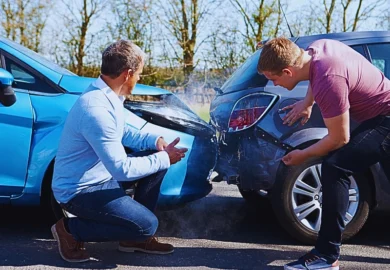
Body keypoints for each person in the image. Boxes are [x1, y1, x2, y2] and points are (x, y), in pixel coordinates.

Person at [258, 37, 390, 270]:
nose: (275, 84)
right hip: (380, 115)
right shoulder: (317, 49)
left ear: (288, 71)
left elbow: (340, 138)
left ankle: (326, 256)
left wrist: (304, 155)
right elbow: (315, 74)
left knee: (335, 166)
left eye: (274, 78)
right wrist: (308, 102)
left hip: (385, 118)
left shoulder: (328, 79)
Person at [51, 40, 188, 263]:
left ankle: (132, 238)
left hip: (102, 177)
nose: (139, 79)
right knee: (147, 224)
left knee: (154, 163)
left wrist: (156, 142)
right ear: (127, 73)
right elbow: (122, 169)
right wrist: (164, 158)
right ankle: (70, 229)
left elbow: (123, 132)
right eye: (139, 74)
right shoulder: (95, 108)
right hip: (79, 191)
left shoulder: (107, 95)